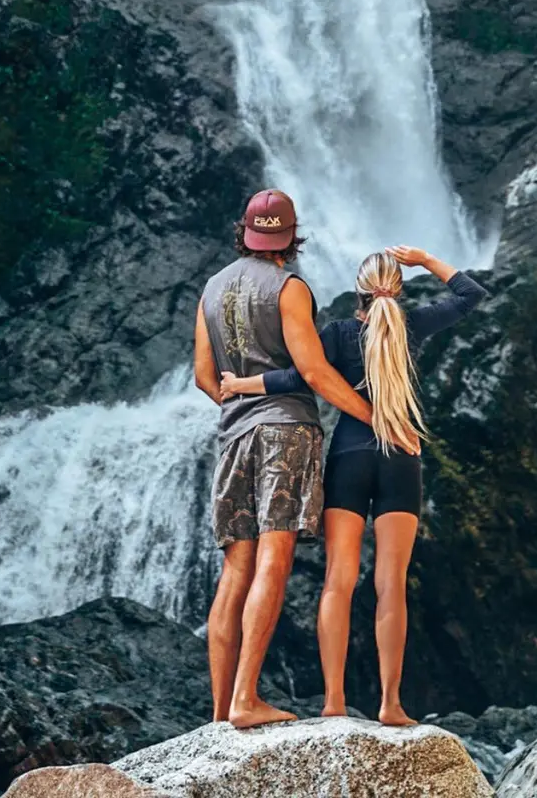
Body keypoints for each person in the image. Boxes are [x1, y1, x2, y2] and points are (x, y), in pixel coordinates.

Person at [221, 244, 487, 727]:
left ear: (358, 295)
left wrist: (241, 385)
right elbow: (471, 294)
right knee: (390, 585)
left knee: (337, 582)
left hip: (348, 458)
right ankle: (390, 704)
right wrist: (426, 260)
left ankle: (334, 702)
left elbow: (298, 376)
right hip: (401, 459)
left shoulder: (339, 335)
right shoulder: (411, 328)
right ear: (397, 290)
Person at [194, 188, 383, 729]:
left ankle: (220, 709)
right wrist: (375, 417)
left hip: (235, 435)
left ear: (246, 232)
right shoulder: (288, 287)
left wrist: (238, 400)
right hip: (285, 432)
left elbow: (206, 377)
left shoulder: (211, 288)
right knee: (274, 559)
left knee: (235, 569)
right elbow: (317, 373)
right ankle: (247, 700)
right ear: (289, 237)